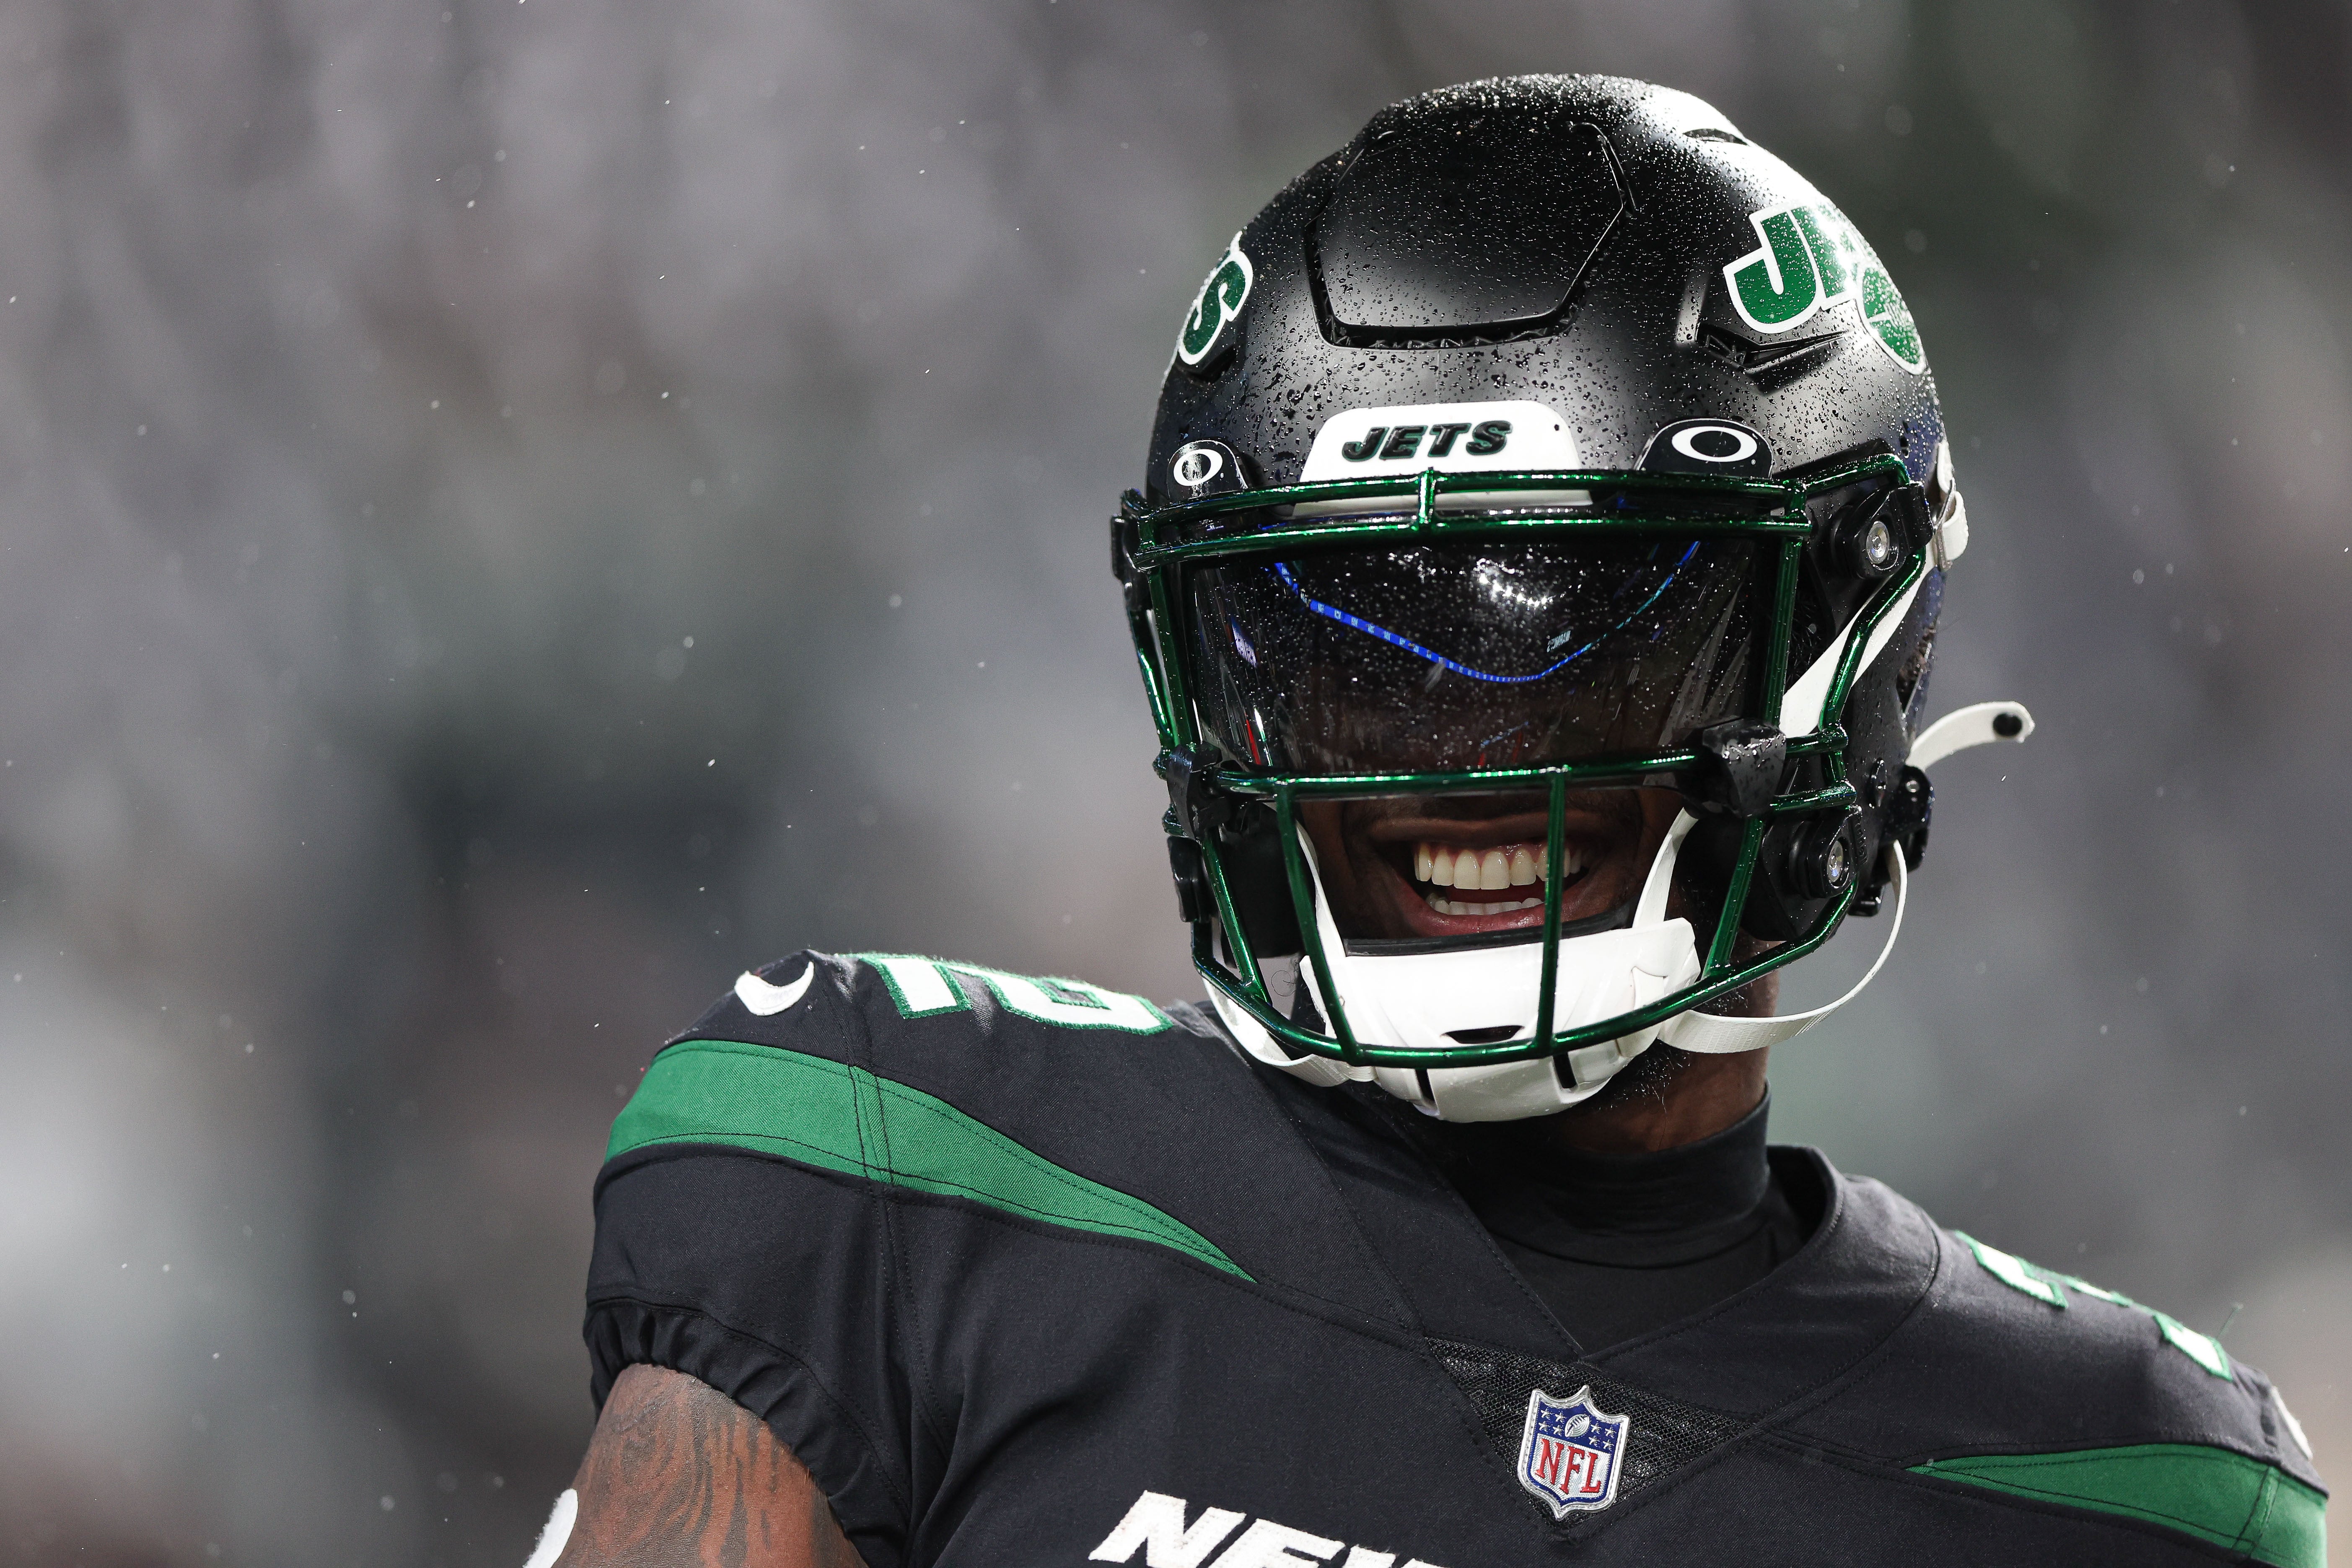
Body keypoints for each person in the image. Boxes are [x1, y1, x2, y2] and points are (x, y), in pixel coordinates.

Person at [534, 76, 2326, 1568]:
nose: (1453, 767)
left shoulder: (2129, 1488)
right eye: (1349, 664)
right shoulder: (896, 1175)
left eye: (1577, 654)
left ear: (1838, 669)